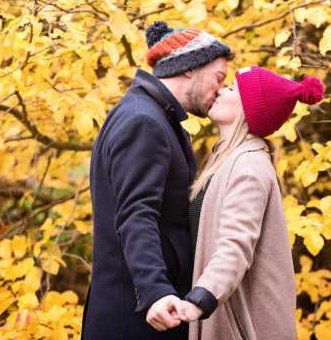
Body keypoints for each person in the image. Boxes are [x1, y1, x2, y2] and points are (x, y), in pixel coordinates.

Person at [81, 20, 234, 340]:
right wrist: (155, 291)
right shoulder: (143, 120)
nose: (220, 89)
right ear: (190, 68)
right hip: (136, 321)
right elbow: (137, 213)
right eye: (218, 78)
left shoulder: (154, 117)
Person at [176, 66, 324, 340]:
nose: (220, 90)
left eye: (231, 88)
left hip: (245, 328)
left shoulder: (247, 166)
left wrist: (202, 297)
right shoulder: (228, 161)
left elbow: (236, 244)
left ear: (248, 108)